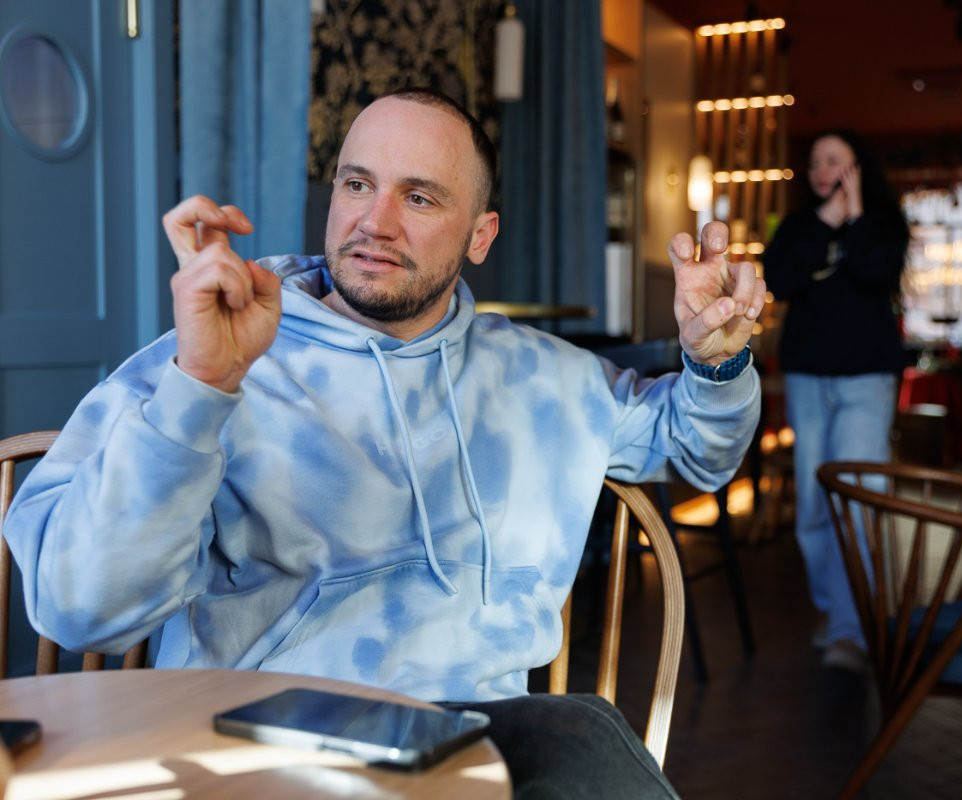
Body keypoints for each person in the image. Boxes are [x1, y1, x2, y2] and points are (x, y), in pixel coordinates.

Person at [4, 89, 764, 798]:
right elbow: (81, 610)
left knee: (580, 732)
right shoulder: (213, 355)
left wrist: (716, 362)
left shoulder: (547, 378)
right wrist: (201, 387)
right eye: (357, 184)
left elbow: (697, 449)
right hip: (261, 737)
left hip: (483, 743)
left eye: (419, 197)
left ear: (480, 236)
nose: (375, 222)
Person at [761, 129, 909, 674]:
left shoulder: (885, 222)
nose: (822, 170)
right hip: (808, 378)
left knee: (856, 498)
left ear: (858, 167)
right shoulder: (800, 225)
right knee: (814, 505)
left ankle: (851, 628)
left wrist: (856, 214)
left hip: (866, 379)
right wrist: (826, 220)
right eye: (815, 162)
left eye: (835, 161)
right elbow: (779, 279)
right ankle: (839, 609)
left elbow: (875, 270)